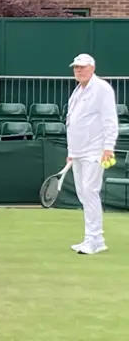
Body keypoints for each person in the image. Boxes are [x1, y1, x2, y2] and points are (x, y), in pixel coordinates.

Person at [66, 53, 118, 255]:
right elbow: (73, 121)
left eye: (82, 67)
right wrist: (71, 151)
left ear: (92, 68)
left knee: (90, 192)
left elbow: (109, 120)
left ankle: (93, 239)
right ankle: (96, 239)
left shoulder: (102, 89)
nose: (78, 70)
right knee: (83, 194)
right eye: (76, 67)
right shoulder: (77, 90)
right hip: (78, 151)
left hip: (94, 151)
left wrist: (108, 147)